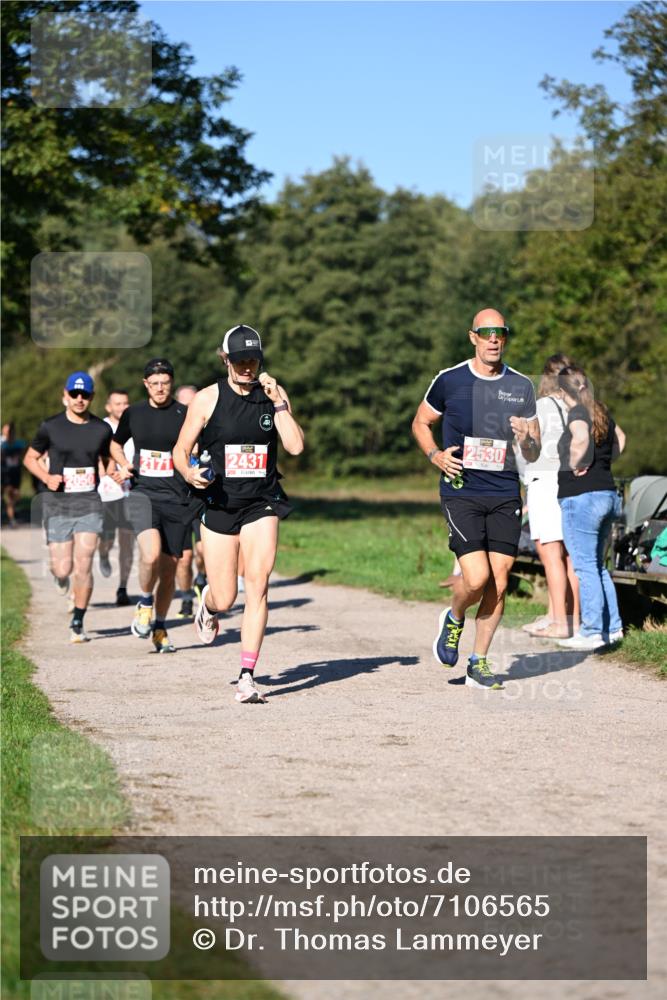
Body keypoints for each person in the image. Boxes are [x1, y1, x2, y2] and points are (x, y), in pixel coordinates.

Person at [173, 324, 305, 704]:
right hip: (219, 501)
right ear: (225, 359)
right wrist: (189, 473)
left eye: (253, 360)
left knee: (258, 584)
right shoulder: (207, 399)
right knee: (226, 596)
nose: (247, 367)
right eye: (239, 360)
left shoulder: (272, 395)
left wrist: (279, 402)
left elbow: (295, 446)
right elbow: (180, 450)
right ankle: (208, 605)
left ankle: (247, 676)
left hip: (262, 501)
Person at [412, 308, 541, 688]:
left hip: (505, 491)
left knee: (498, 582)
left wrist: (527, 437)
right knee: (477, 576)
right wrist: (435, 455)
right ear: (473, 337)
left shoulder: (521, 386)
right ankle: (454, 616)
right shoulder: (450, 380)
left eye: (500, 332)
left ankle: (478, 662)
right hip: (462, 490)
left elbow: (534, 450)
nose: (493, 339)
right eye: (486, 332)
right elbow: (421, 422)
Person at [110, 359, 194, 653]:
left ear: (172, 383)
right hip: (143, 493)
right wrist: (123, 464)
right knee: (150, 555)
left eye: (165, 383)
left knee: (170, 570)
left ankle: (159, 627)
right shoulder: (134, 413)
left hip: (177, 498)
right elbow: (115, 443)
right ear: (145, 384)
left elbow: (196, 447)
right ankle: (145, 602)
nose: (160, 388)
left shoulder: (185, 413)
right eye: (154, 383)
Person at [23, 371, 113, 642]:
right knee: (62, 569)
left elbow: (108, 457)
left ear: (92, 397)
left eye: (84, 394)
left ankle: (77, 621)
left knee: (83, 565)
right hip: (58, 505)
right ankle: (61, 578)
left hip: (89, 504)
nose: (79, 398)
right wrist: (46, 477)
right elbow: (30, 458)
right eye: (74, 394)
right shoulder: (50, 427)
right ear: (65, 395)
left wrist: (109, 473)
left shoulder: (101, 429)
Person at [554, 366, 626, 650]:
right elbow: (621, 439)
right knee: (597, 566)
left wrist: (577, 463)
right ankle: (613, 628)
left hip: (581, 498)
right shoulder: (601, 411)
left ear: (563, 392)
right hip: (606, 494)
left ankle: (592, 631)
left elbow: (581, 437)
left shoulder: (576, 413)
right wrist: (603, 463)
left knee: (584, 567)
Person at [521, 354, 580, 639]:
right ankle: (572, 619)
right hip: (571, 482)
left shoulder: (542, 406)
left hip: (544, 483)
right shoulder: (578, 406)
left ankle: (559, 622)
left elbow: (530, 449)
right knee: (570, 556)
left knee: (550, 554)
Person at [98, 389, 135, 606]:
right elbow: (94, 456)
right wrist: (108, 470)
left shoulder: (136, 425)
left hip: (130, 490)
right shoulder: (101, 427)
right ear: (108, 407)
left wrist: (129, 472)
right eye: (117, 404)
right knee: (107, 538)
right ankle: (103, 554)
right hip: (107, 491)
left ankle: (123, 588)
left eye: (125, 403)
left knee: (127, 541)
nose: (122, 407)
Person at [1, 422, 26, 528]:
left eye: (10, 431)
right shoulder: (2, 444)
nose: (8, 433)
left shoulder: (20, 443)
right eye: (6, 431)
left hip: (15, 473)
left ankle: (11, 516)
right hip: (4, 472)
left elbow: (24, 456)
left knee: (14, 496)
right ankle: (10, 518)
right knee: (8, 495)